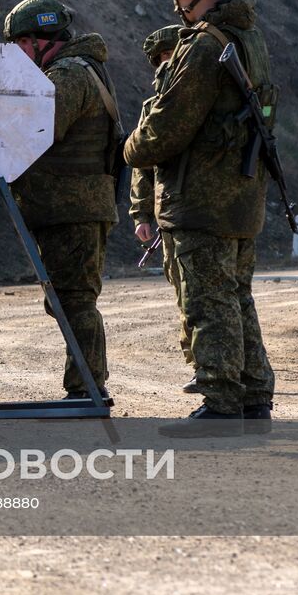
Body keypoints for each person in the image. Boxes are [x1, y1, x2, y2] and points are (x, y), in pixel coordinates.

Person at [124, 0, 277, 437]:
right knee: (236, 296)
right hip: (241, 192)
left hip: (201, 197)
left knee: (208, 301)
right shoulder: (248, 38)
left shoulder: (204, 46)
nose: (177, 5)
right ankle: (253, 397)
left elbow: (165, 130)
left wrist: (128, 148)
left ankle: (221, 403)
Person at [2, 0, 120, 403]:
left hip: (75, 209)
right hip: (69, 208)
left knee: (74, 300)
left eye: (17, 44)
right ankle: (86, 385)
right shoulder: (71, 70)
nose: (15, 55)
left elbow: (37, 129)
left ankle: (88, 388)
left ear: (39, 40)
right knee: (68, 300)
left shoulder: (68, 75)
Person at [129, 24, 195, 393]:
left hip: (192, 208)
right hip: (167, 209)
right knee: (182, 287)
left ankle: (211, 366)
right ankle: (198, 362)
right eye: (159, 61)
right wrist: (141, 214)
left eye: (168, 58)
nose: (163, 66)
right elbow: (143, 167)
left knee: (197, 291)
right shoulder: (153, 107)